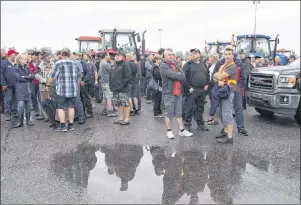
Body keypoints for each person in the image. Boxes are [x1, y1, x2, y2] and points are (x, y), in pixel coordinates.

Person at [159, 48, 193, 139]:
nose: (171, 56)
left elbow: (183, 76)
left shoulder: (176, 64)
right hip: (169, 93)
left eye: (172, 54)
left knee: (179, 112)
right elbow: (172, 75)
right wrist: (178, 75)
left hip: (178, 92)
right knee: (168, 113)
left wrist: (178, 75)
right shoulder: (163, 65)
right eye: (169, 54)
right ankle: (169, 131)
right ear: (165, 56)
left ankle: (181, 130)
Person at [46, 48, 81, 132]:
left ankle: (63, 126)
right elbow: (79, 76)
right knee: (71, 107)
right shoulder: (75, 63)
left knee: (60, 107)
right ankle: (71, 125)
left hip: (61, 90)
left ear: (62, 54)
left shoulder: (58, 63)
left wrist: (48, 85)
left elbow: (52, 77)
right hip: (73, 90)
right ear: (69, 54)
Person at [213, 47, 237, 144]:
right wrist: (217, 76)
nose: (227, 56)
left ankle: (230, 137)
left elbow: (218, 76)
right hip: (221, 92)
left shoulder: (232, 66)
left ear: (233, 55)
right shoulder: (223, 66)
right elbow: (215, 79)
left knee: (227, 113)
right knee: (222, 115)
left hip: (228, 92)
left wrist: (216, 74)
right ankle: (226, 132)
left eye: (229, 54)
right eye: (226, 54)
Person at [182, 48, 209, 132]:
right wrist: (189, 87)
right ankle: (187, 125)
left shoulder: (203, 64)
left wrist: (207, 84)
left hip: (202, 90)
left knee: (200, 108)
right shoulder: (188, 64)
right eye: (192, 53)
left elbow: (207, 75)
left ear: (199, 55)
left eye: (195, 53)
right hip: (192, 90)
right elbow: (183, 78)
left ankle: (200, 124)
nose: (193, 55)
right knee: (189, 108)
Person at [110, 51, 132, 125]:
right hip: (115, 90)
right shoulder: (113, 65)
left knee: (126, 104)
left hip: (123, 89)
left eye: (118, 55)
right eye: (116, 55)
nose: (116, 57)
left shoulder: (125, 65)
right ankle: (120, 118)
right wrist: (111, 85)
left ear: (122, 57)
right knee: (119, 104)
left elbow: (128, 77)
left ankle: (127, 119)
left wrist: (121, 85)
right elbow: (111, 77)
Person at [13, 54, 35, 128]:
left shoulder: (27, 67)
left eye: (26, 59)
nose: (27, 60)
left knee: (28, 106)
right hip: (20, 89)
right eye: (25, 59)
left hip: (27, 89)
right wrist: (28, 77)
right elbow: (18, 78)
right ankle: (20, 121)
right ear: (20, 60)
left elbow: (33, 76)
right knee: (21, 106)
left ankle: (28, 120)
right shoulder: (16, 68)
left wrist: (24, 77)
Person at [35, 48, 54, 122]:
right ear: (43, 57)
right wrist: (44, 80)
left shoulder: (54, 63)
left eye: (49, 55)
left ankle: (54, 117)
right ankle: (48, 116)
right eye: (47, 55)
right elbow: (36, 75)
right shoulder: (39, 65)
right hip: (43, 85)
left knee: (53, 101)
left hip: (53, 85)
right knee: (45, 102)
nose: (49, 56)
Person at [1, 49, 18, 121]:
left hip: (17, 85)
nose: (16, 55)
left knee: (15, 99)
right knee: (8, 100)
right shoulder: (3, 63)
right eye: (15, 54)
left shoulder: (16, 63)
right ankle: (8, 114)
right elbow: (0, 74)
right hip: (7, 86)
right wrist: (3, 84)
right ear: (11, 54)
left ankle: (15, 112)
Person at [100, 52, 117, 117]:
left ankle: (104, 110)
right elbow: (112, 71)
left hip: (103, 82)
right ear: (105, 56)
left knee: (105, 97)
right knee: (109, 97)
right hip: (107, 82)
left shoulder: (101, 63)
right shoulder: (106, 64)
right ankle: (109, 112)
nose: (109, 56)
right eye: (108, 55)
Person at [206, 53, 219, 125]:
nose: (208, 59)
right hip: (211, 86)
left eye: (210, 57)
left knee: (215, 103)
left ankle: (215, 119)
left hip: (214, 86)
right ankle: (212, 117)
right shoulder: (212, 65)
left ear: (214, 58)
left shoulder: (217, 66)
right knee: (211, 102)